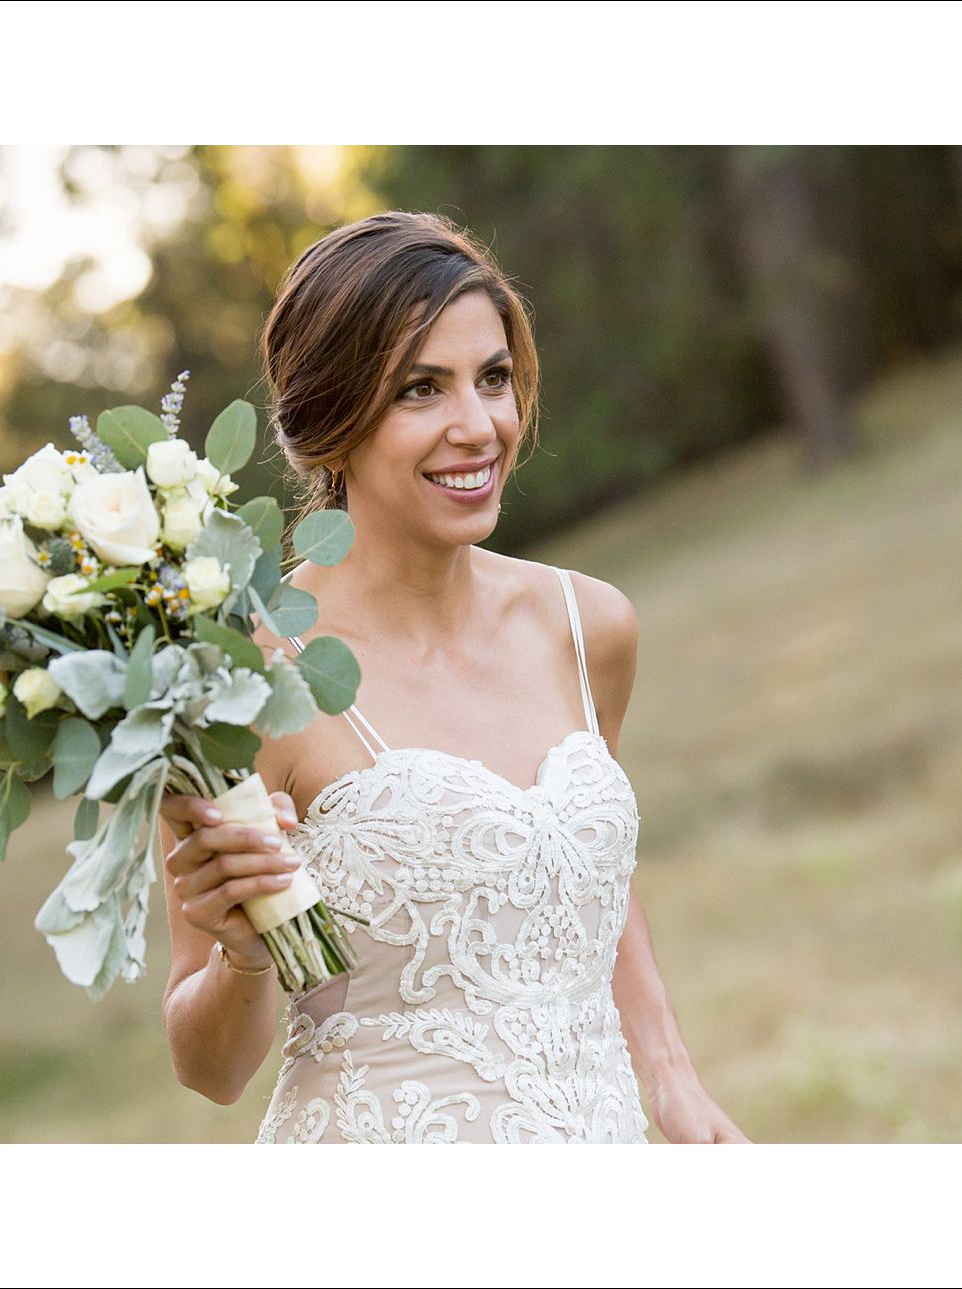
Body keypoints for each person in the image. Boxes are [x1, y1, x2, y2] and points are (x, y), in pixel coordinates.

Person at [156, 210, 747, 1143]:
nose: (479, 428)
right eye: (421, 390)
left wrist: (669, 1072)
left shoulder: (587, 625)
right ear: (327, 422)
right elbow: (209, 1071)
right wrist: (241, 954)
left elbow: (577, 872)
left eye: (495, 379)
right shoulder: (239, 676)